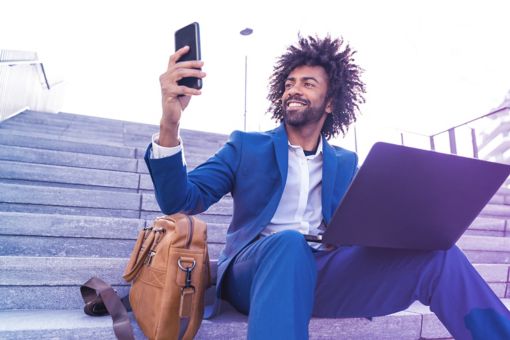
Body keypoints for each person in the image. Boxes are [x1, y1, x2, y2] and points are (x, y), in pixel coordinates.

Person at [145, 35, 510, 339]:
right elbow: (180, 199)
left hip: (321, 271)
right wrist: (169, 123)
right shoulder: (245, 146)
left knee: (440, 256)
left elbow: (360, 226)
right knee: (288, 245)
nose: (294, 90)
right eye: (289, 83)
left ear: (331, 102)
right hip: (254, 273)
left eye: (307, 83)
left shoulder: (345, 162)